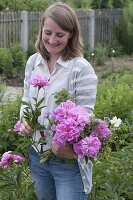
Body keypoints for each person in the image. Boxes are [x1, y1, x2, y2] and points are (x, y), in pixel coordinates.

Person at [19, 2, 97, 200]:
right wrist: (25, 121)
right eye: (48, 32)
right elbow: (26, 101)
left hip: (67, 162)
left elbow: (86, 118)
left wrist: (70, 148)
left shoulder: (81, 69)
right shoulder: (32, 62)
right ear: (41, 31)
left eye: (60, 34)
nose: (52, 40)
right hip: (37, 155)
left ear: (71, 34)